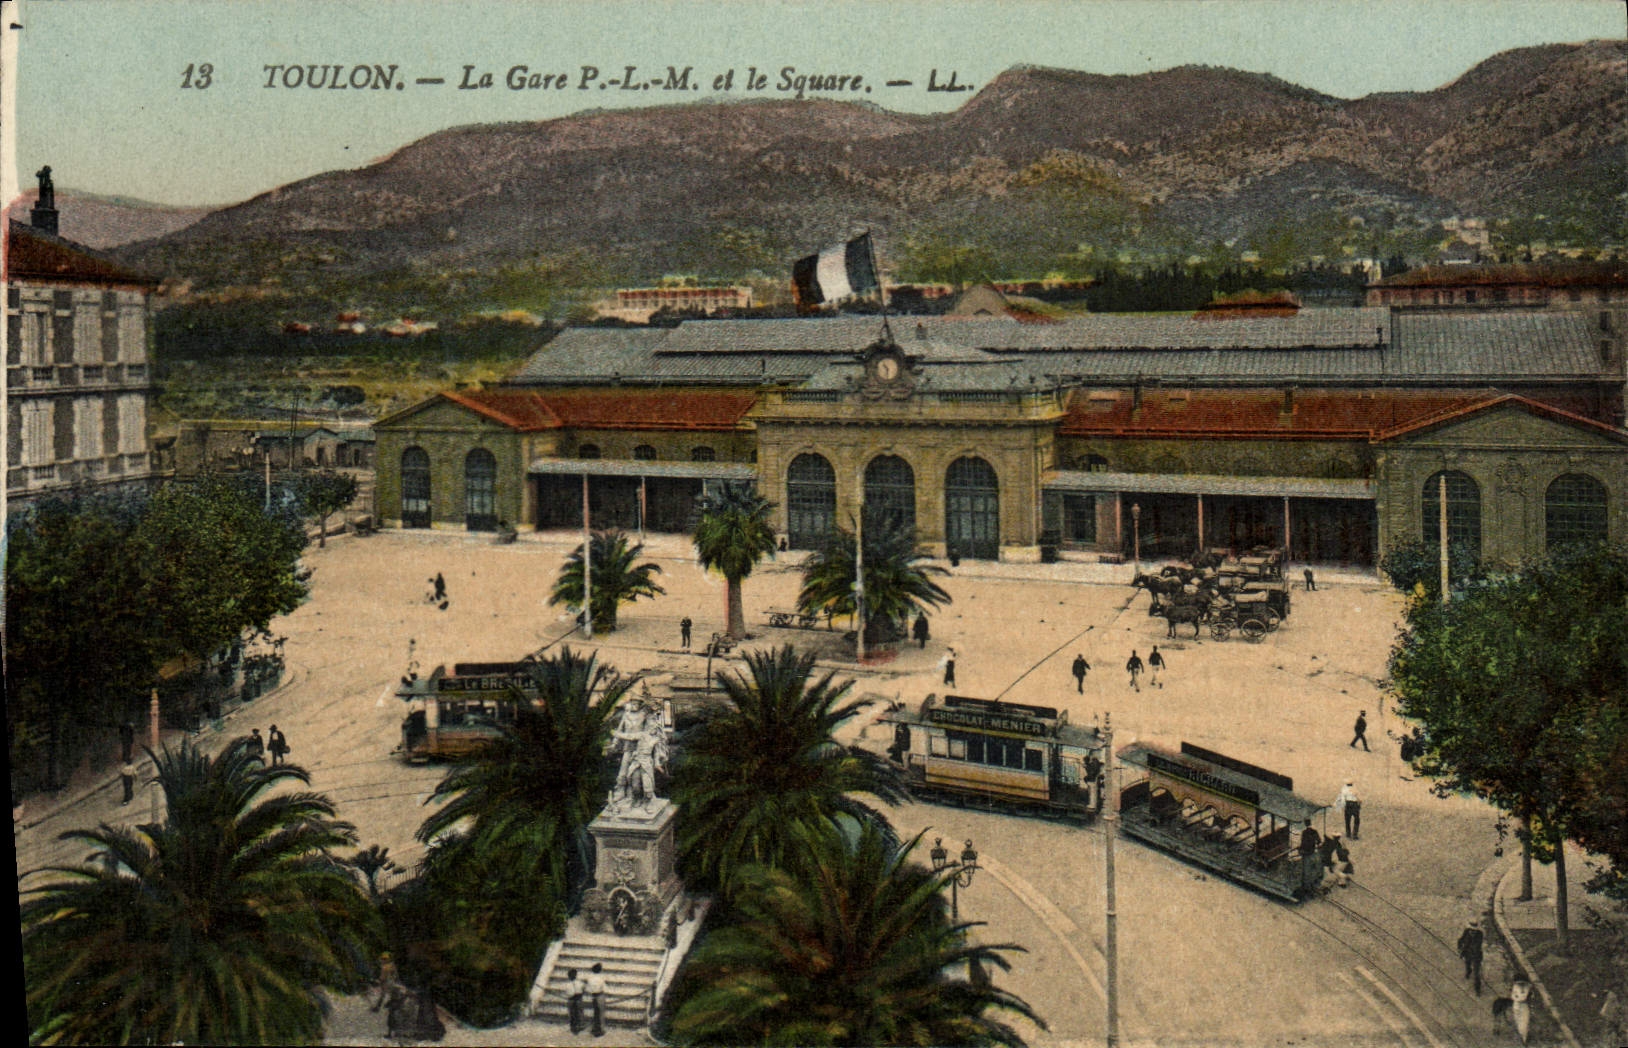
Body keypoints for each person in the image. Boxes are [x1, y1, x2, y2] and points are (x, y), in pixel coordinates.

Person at [1457, 918, 1484, 995]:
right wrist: (1460, 949)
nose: (1472, 932)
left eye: (1474, 930)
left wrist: (1468, 945)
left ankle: (1477, 990)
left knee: (1477, 974)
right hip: (1467, 954)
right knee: (1467, 965)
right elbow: (1460, 940)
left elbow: (1477, 946)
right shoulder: (1466, 931)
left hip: (1476, 956)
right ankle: (1468, 971)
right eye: (1471, 930)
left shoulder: (1480, 934)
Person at [586, 962, 607, 1037]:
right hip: (600, 995)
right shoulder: (601, 978)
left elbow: (588, 988)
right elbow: (604, 988)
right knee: (601, 1013)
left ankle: (594, 1028)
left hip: (593, 996)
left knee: (595, 1012)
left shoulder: (590, 978)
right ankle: (600, 1029)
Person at [564, 966, 586, 1034]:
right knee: (578, 1012)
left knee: (573, 1013)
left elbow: (567, 993)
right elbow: (584, 988)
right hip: (577, 999)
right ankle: (579, 1025)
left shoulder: (568, 984)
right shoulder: (580, 983)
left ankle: (574, 1026)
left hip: (572, 999)